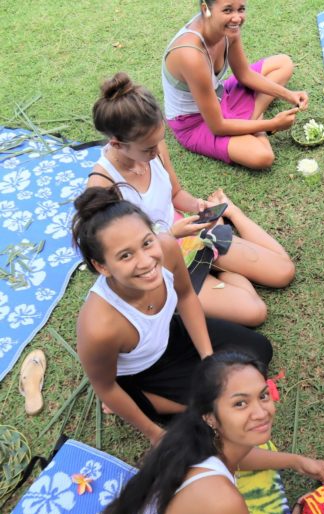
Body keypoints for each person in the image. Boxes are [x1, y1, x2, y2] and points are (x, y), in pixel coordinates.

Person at [94, 351, 324, 514]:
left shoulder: (184, 440)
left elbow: (239, 457)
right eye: (240, 403)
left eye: (263, 395)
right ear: (210, 417)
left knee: (255, 447)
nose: (261, 412)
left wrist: (298, 462)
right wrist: (301, 509)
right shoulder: (222, 500)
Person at [89, 72, 295, 327]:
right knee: (255, 312)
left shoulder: (152, 143)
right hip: (158, 264)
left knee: (284, 272)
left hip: (190, 236)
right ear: (117, 144)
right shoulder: (102, 186)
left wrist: (198, 206)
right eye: (147, 149)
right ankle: (213, 274)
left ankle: (232, 215)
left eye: (158, 142)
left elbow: (175, 194)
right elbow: (122, 256)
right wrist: (170, 235)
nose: (156, 153)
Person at [72, 187, 272, 444]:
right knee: (217, 415)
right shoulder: (99, 326)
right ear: (102, 266)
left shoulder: (166, 248)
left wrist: (208, 358)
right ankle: (144, 401)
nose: (146, 262)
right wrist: (155, 434)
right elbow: (105, 386)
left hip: (172, 333)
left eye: (146, 243)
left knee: (259, 350)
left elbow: (187, 296)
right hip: (141, 373)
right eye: (125, 255)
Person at [162, 0, 308, 169]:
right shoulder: (190, 54)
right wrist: (273, 125)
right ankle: (252, 121)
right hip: (197, 122)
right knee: (263, 157)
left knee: (284, 64)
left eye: (241, 9)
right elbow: (217, 126)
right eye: (227, 10)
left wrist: (289, 95)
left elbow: (244, 74)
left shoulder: (227, 29)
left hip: (220, 94)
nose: (237, 18)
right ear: (205, 9)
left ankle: (247, 122)